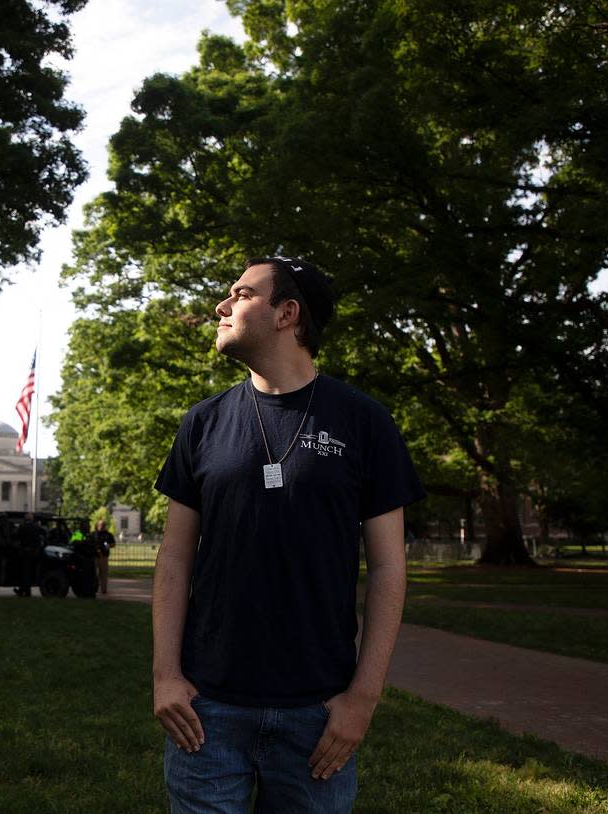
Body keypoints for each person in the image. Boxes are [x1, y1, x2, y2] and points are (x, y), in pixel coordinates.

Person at [152, 255, 425, 813]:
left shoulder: (364, 421)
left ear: (287, 313)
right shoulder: (201, 423)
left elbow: (390, 569)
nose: (221, 307)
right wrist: (166, 678)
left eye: (241, 294)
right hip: (206, 712)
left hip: (317, 716)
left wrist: (361, 700)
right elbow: (174, 560)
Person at [15, 512, 43, 597]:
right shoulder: (36, 527)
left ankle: (25, 591)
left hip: (24, 552)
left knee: (24, 572)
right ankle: (25, 590)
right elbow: (39, 540)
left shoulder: (22, 527)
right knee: (30, 572)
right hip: (33, 552)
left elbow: (17, 537)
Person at [92, 519, 115, 595]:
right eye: (99, 525)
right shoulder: (94, 534)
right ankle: (94, 589)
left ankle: (103, 589)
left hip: (104, 557)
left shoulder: (108, 534)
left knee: (104, 574)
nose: (101, 526)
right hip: (95, 557)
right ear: (97, 526)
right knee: (94, 574)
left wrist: (108, 545)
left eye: (102, 525)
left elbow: (113, 544)